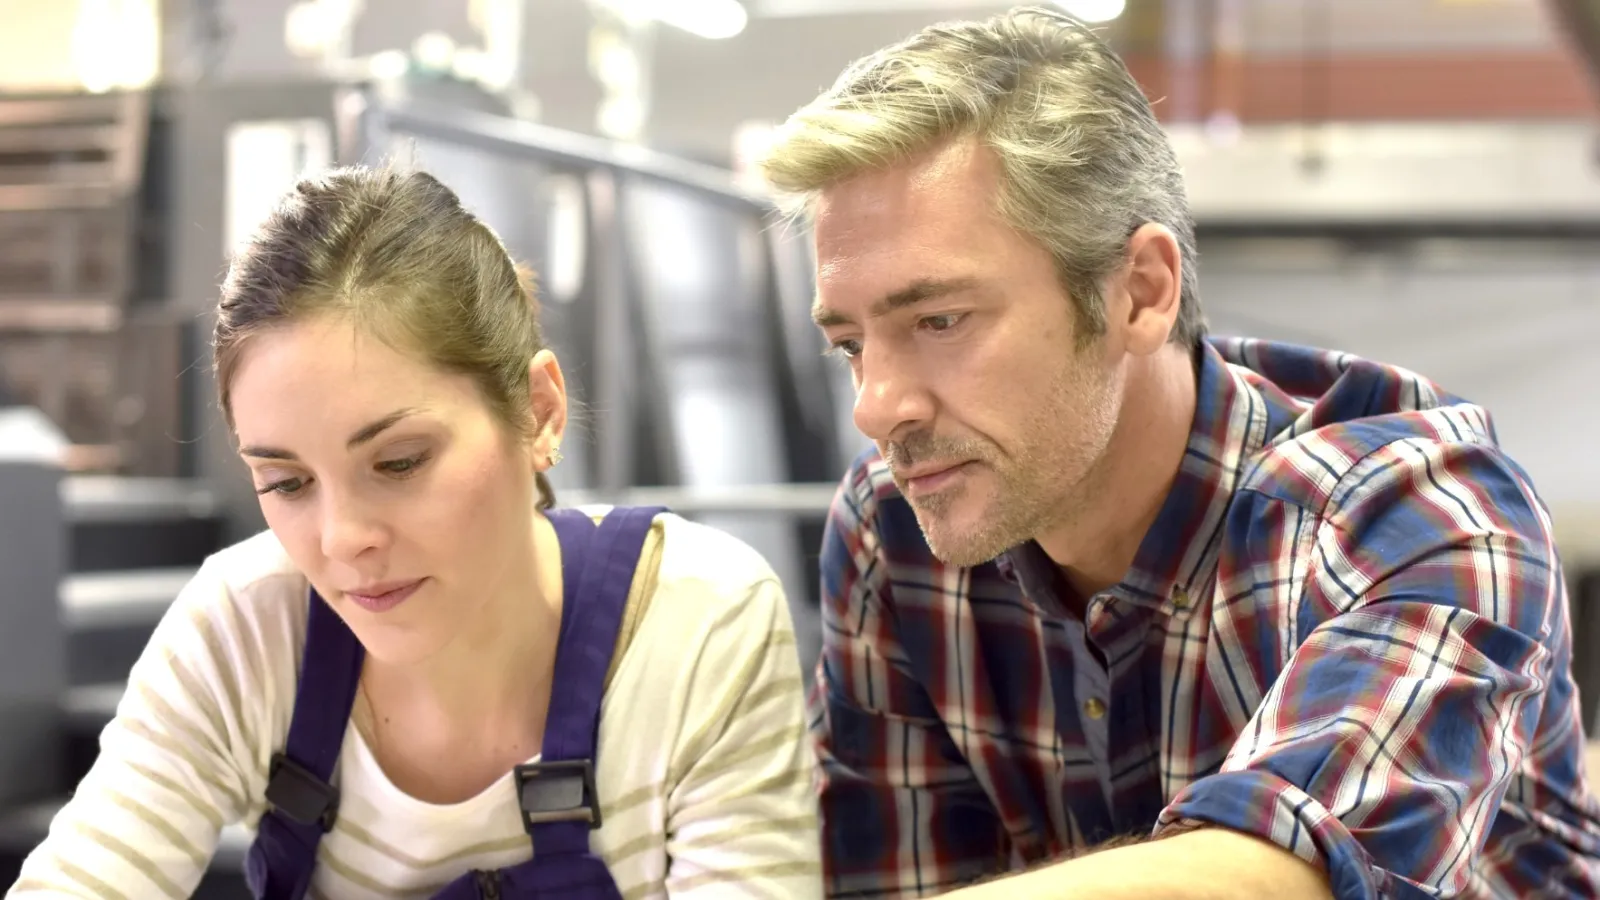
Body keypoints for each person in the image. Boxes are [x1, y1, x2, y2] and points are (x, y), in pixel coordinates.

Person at [757, 6, 1600, 899]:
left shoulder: (1422, 509)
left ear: (1141, 292)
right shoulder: (894, 527)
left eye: (938, 321)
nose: (877, 408)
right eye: (851, 343)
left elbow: (1282, 878)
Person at [8, 166, 822, 899]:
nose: (342, 539)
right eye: (287, 483)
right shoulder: (247, 622)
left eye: (398, 462)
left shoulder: (700, 620)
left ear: (537, 412)